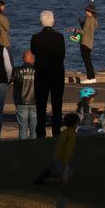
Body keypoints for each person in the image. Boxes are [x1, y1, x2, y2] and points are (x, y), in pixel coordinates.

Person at [31, 10, 66, 138]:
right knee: (57, 104)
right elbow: (62, 55)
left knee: (41, 104)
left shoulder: (35, 37)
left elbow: (34, 52)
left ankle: (40, 131)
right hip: (57, 73)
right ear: (53, 21)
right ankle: (56, 130)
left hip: (41, 74)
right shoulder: (60, 37)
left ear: (41, 22)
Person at [34, 113, 79, 183]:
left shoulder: (64, 132)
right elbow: (68, 149)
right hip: (62, 158)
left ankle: (49, 173)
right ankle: (44, 180)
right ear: (75, 124)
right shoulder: (71, 135)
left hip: (58, 156)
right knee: (64, 180)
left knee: (69, 175)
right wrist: (65, 162)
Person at [12, 50, 37, 140]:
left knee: (22, 128)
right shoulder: (38, 71)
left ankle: (23, 147)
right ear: (33, 59)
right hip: (35, 101)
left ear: (23, 59)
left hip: (21, 101)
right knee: (34, 129)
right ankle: (34, 146)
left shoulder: (17, 70)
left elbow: (10, 80)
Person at [78, 1, 99, 84]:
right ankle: (92, 77)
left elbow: (84, 31)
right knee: (88, 61)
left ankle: (90, 78)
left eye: (87, 11)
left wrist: (75, 30)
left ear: (91, 12)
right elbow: (89, 30)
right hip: (90, 43)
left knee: (87, 61)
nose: (86, 12)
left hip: (85, 42)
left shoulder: (87, 19)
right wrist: (82, 24)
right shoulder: (94, 20)